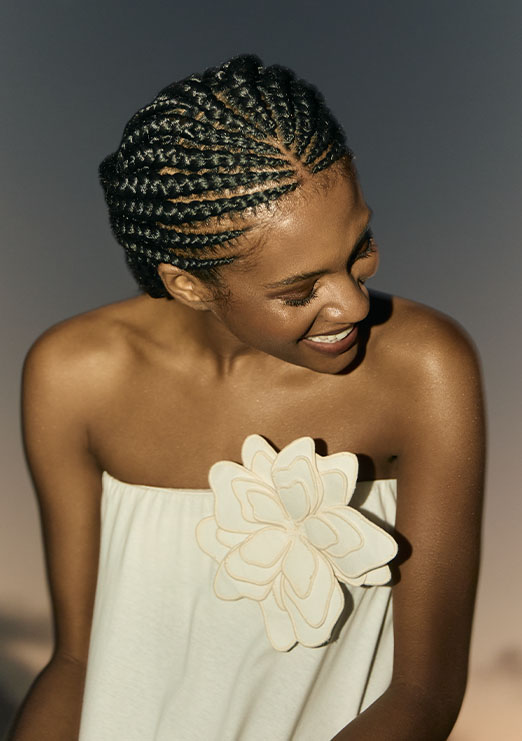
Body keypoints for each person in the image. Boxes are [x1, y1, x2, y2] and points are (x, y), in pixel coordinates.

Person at [9, 54, 485, 741]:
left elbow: (422, 691)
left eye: (361, 246)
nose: (352, 301)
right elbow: (78, 663)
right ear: (190, 286)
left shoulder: (424, 369)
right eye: (299, 292)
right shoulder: (75, 376)